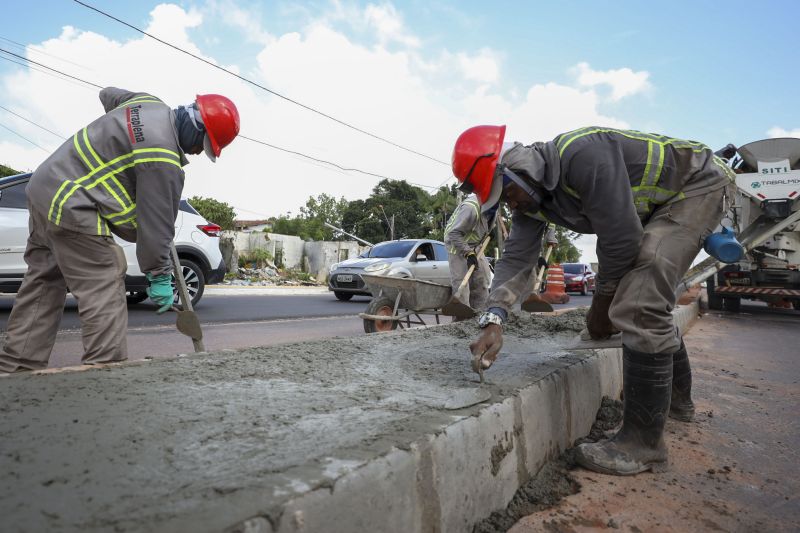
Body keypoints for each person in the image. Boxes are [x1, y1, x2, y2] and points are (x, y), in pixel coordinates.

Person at [452, 125, 734, 475]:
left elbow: (622, 240)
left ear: (519, 170)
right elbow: (515, 260)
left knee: (641, 298)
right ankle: (677, 403)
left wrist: (601, 308)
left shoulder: (582, 154)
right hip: (663, 204)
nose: (511, 204)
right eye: (503, 201)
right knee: (644, 299)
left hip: (699, 184)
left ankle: (643, 445)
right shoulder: (532, 203)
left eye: (507, 193)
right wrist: (494, 319)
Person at [0, 87, 240, 373]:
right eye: (204, 144)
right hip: (72, 203)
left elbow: (108, 95)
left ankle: (17, 369)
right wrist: (159, 275)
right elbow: (156, 227)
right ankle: (106, 373)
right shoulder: (163, 159)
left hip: (43, 187)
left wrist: (124, 134)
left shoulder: (147, 103)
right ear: (196, 127)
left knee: (44, 282)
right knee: (105, 278)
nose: (198, 152)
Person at [443, 194, 496, 311]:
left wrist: (489, 231)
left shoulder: (494, 205)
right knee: (462, 285)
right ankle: (461, 317)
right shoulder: (470, 208)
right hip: (456, 245)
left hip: (475, 245)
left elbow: (483, 223)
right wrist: (468, 253)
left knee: (481, 281)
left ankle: (480, 314)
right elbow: (453, 233)